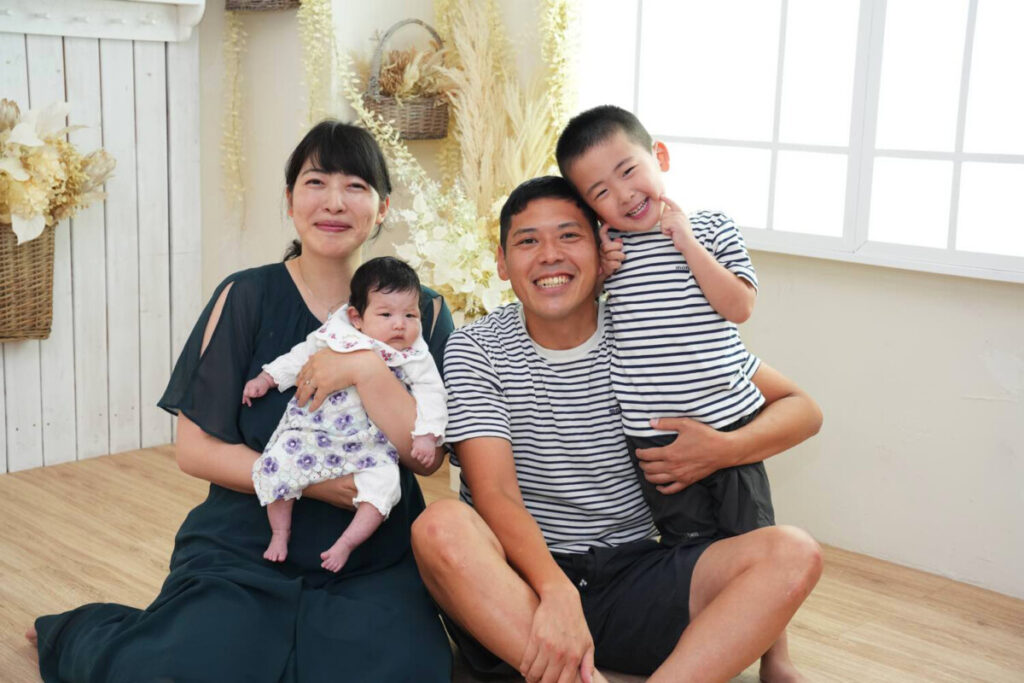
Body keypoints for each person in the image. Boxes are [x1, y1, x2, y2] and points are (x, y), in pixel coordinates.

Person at [27, 120, 453, 682]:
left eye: (355, 186)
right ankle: (86, 631)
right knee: (177, 672)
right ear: (289, 200)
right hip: (245, 546)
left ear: (382, 209)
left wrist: (365, 369)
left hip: (371, 554)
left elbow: (427, 457)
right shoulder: (246, 295)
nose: (334, 202)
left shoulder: (422, 311)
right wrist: (310, 482)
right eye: (316, 182)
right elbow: (196, 450)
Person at [412, 176, 823, 683]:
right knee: (439, 526)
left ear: (605, 251)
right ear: (502, 262)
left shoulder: (651, 332)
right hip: (521, 588)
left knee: (794, 552)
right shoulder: (477, 347)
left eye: (569, 236)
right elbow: (494, 492)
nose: (549, 255)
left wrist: (722, 448)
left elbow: (802, 409)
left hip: (636, 573)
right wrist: (556, 590)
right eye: (528, 241)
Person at [555, 104, 798, 677]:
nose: (623, 195)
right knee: (690, 552)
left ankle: (777, 657)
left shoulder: (711, 228)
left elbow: (739, 306)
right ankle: (705, 649)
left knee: (754, 541)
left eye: (628, 170)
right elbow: (580, 319)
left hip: (728, 425)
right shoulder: (608, 254)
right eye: (600, 192)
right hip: (655, 442)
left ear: (658, 157)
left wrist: (686, 241)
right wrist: (600, 270)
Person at [243, 256, 447, 572]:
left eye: (410, 315)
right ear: (357, 317)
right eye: (386, 314)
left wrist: (426, 434)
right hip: (315, 432)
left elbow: (432, 393)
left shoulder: (414, 354)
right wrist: (267, 378)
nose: (399, 324)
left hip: (370, 444)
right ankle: (280, 533)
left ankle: (346, 543)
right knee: (277, 462)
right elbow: (301, 356)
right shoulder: (338, 334)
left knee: (384, 484)